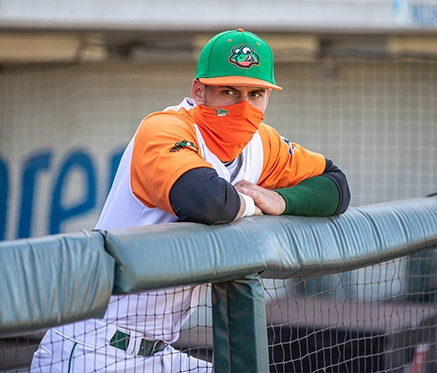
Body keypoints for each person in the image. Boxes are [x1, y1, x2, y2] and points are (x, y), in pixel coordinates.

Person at [31, 28, 350, 373]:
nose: (243, 106)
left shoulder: (262, 143)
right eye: (228, 91)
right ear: (199, 90)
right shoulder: (164, 128)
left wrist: (281, 200)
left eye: (255, 93)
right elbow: (209, 203)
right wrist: (255, 205)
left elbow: (336, 185)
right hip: (91, 345)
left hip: (158, 351)